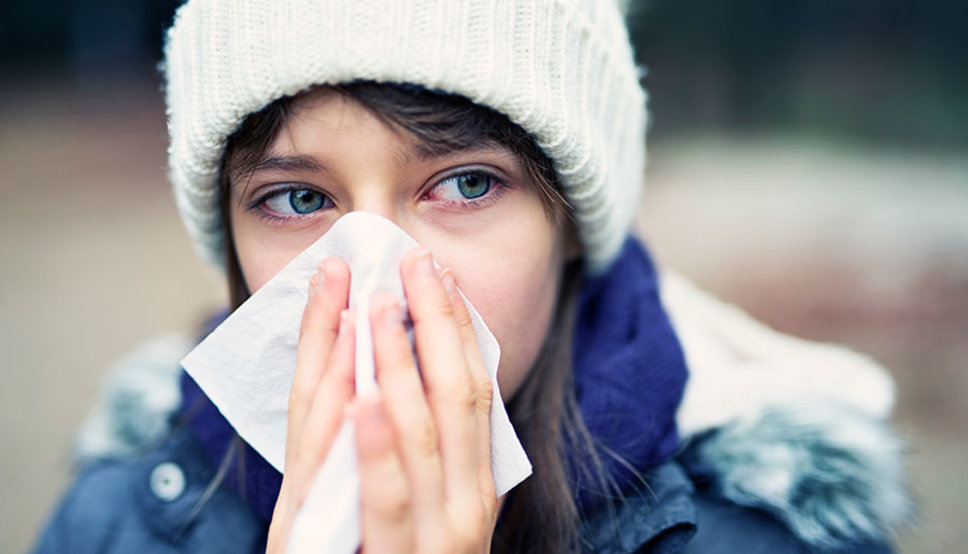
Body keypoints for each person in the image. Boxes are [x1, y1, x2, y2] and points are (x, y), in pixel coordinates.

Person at [32, 0, 910, 552]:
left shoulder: (758, 538)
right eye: (298, 197)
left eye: (464, 183)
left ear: (569, 226)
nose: (375, 284)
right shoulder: (117, 522)